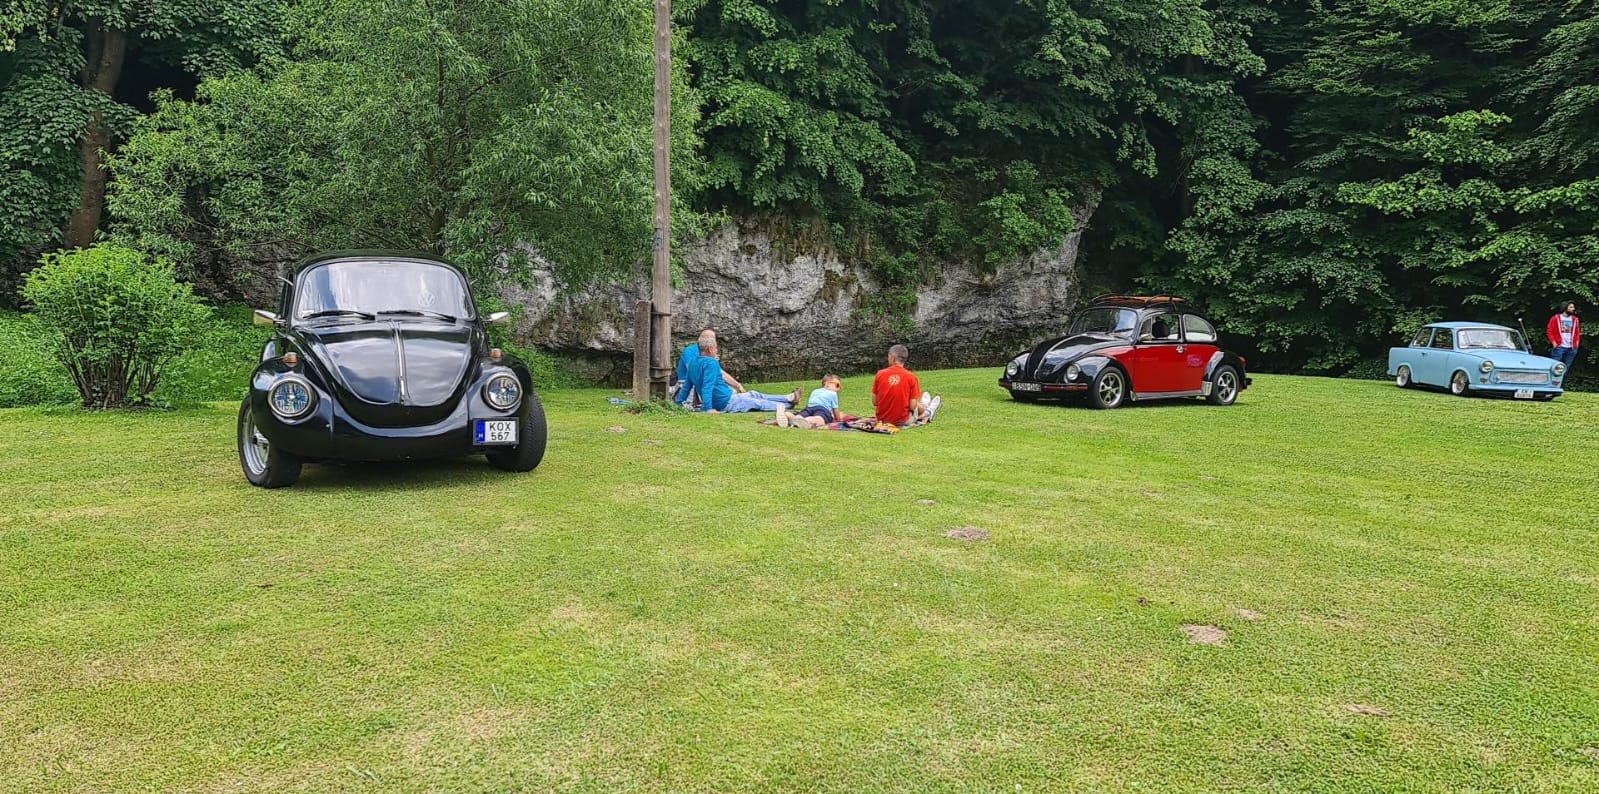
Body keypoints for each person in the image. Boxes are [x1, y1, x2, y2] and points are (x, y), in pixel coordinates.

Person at [690, 338, 800, 413]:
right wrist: (709, 409)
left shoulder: (694, 363)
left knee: (754, 394)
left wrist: (680, 401)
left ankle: (788, 398)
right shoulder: (711, 363)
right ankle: (787, 405)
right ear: (710, 349)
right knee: (756, 402)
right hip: (726, 402)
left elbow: (688, 385)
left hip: (729, 397)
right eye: (715, 348)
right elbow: (707, 387)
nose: (717, 350)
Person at [674, 328, 744, 406]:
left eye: (712, 339)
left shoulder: (710, 358)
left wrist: (737, 385)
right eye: (707, 338)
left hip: (704, 383)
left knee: (732, 392)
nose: (709, 341)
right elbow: (694, 372)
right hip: (692, 382)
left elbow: (720, 373)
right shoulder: (690, 351)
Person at [871, 344, 925, 426]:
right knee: (919, 407)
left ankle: (924, 406)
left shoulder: (880, 374)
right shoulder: (911, 377)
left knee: (913, 403)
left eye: (888, 357)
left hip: (882, 420)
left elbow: (875, 402)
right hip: (902, 421)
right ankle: (927, 410)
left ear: (892, 357)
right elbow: (912, 407)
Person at [777, 375, 842, 429]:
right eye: (837, 385)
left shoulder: (815, 391)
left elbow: (810, 403)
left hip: (809, 408)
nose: (839, 388)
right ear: (827, 383)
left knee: (801, 415)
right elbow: (835, 409)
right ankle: (806, 421)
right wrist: (838, 420)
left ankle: (788, 415)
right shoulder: (833, 393)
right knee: (819, 419)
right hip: (822, 409)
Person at [1547, 301, 1581, 372]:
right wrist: (1554, 342)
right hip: (1559, 347)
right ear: (1565, 308)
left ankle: (1562, 379)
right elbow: (1549, 331)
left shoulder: (1575, 319)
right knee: (1554, 367)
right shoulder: (1555, 318)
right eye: (1571, 307)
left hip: (1572, 348)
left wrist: (1577, 343)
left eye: (1573, 307)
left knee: (1566, 368)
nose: (1573, 309)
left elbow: (1577, 333)